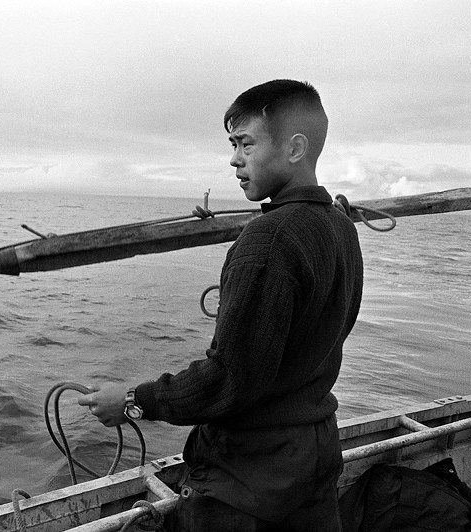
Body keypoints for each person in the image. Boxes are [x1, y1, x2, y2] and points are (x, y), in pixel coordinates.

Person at [78, 79, 363, 531]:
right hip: (314, 455)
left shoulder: (268, 240)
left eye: (245, 144)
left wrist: (132, 400)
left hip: (248, 479)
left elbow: (231, 379)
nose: (234, 159)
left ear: (294, 148)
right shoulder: (341, 228)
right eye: (233, 145)